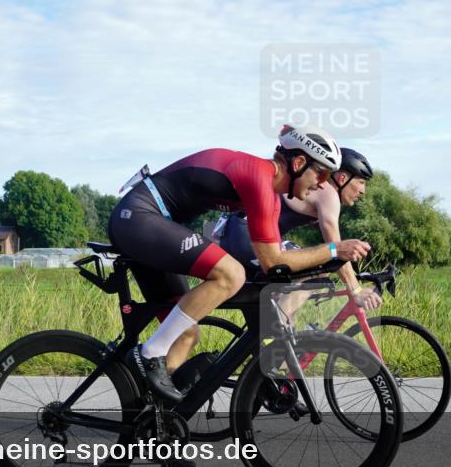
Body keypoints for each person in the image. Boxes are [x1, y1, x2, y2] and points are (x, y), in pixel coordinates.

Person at [107, 125, 371, 404]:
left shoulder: (270, 194)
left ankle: (152, 417)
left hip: (153, 225)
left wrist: (327, 259)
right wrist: (332, 250)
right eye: (322, 173)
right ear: (297, 163)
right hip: (138, 216)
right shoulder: (259, 177)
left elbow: (276, 262)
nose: (322, 183)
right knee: (231, 274)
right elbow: (273, 261)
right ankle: (148, 355)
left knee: (185, 334)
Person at [215, 147, 383, 311]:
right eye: (361, 182)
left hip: (234, 232)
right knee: (317, 271)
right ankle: (278, 330)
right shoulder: (328, 194)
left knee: (291, 280)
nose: (363, 191)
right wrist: (356, 290)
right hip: (245, 236)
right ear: (342, 178)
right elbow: (336, 247)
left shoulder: (319, 190)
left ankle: (274, 332)